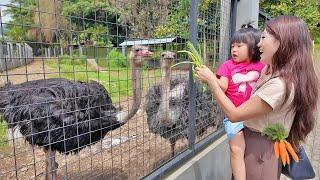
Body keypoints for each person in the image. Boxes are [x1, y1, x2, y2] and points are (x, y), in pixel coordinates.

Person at [195, 15, 319, 180]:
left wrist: (211, 80)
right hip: (260, 146)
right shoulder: (272, 72)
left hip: (260, 151)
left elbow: (234, 115)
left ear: (282, 42)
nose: (259, 44)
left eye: (263, 37)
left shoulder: (279, 86)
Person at [216, 24, 264, 180]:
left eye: (239, 46)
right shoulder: (227, 65)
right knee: (236, 149)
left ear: (253, 48)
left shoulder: (262, 65)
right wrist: (210, 78)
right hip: (234, 115)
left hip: (256, 116)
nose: (234, 50)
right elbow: (222, 86)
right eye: (232, 46)